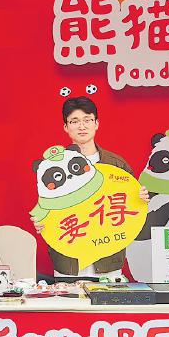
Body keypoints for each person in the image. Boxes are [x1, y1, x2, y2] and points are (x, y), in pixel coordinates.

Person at [30, 96, 133, 277]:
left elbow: (131, 205)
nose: (82, 126)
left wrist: (140, 197)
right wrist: (42, 221)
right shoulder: (52, 167)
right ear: (66, 127)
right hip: (69, 262)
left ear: (96, 123)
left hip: (109, 261)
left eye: (87, 120)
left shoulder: (115, 164)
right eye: (75, 121)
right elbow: (48, 206)